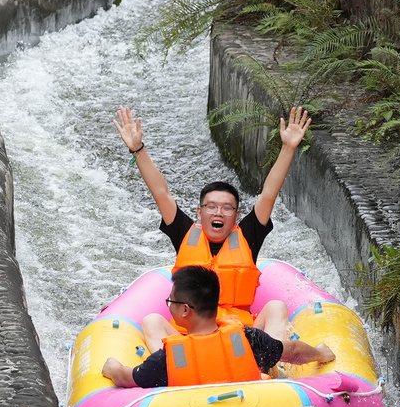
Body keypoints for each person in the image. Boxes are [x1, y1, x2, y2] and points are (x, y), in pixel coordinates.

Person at [114, 103, 312, 352]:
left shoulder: (249, 235)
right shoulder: (185, 233)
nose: (219, 212)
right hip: (191, 337)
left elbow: (268, 194)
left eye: (227, 208)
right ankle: (170, 373)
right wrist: (137, 149)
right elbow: (161, 193)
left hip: (239, 337)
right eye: (211, 207)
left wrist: (288, 148)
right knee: (151, 320)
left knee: (276, 307)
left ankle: (270, 369)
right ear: (200, 212)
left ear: (236, 215)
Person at [102, 266, 335, 389]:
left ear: (184, 310)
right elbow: (293, 351)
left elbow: (125, 378)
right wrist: (320, 353)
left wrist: (112, 366)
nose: (168, 305)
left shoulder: (166, 359)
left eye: (170, 302)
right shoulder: (248, 338)